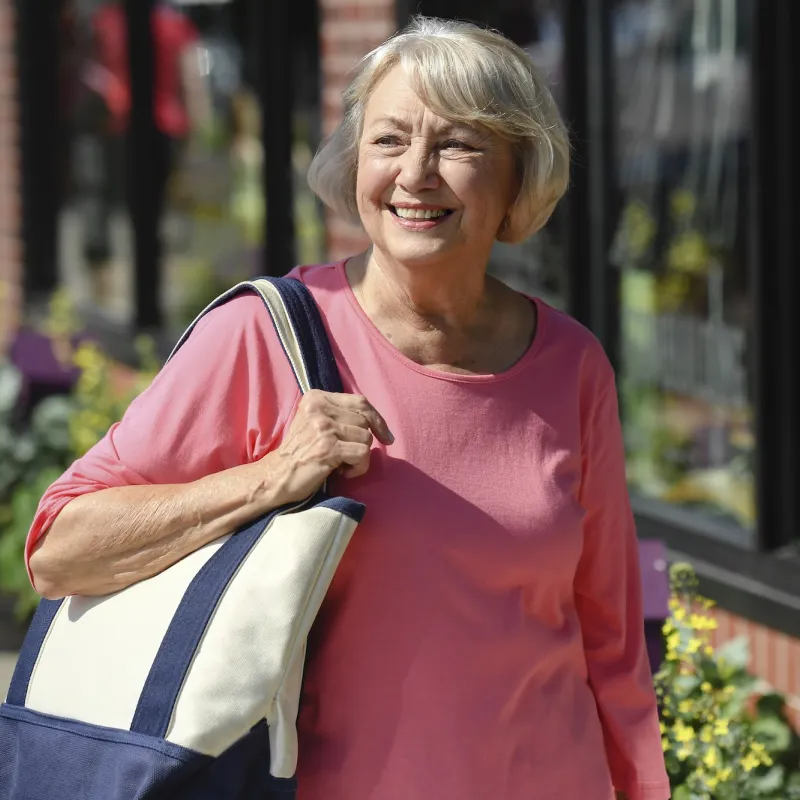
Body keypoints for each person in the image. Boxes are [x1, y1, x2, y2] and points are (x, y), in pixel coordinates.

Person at [26, 17, 671, 800]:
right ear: (354, 160)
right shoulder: (266, 336)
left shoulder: (572, 365)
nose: (417, 174)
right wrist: (268, 479)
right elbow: (60, 548)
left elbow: (610, 639)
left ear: (518, 179)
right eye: (390, 140)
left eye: (459, 145)